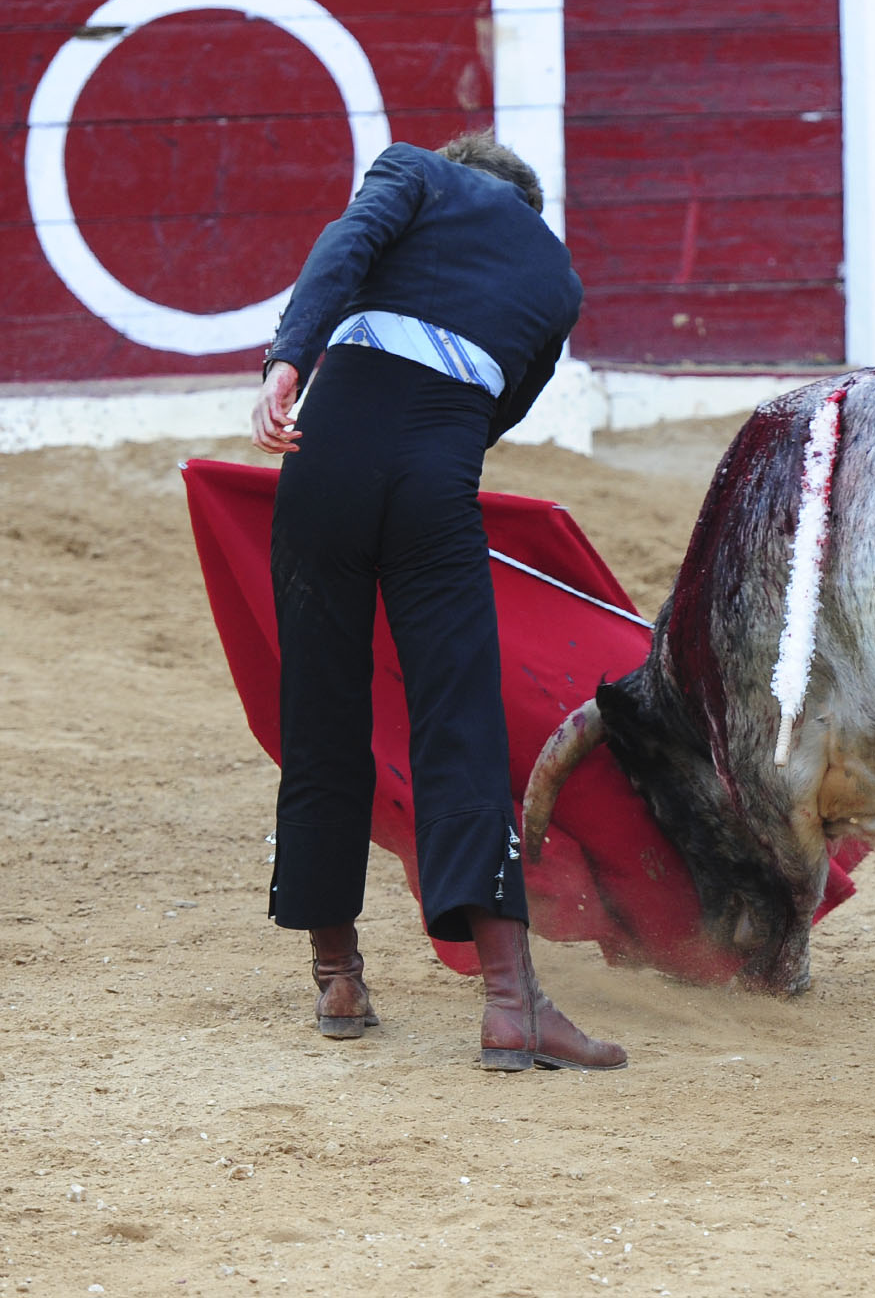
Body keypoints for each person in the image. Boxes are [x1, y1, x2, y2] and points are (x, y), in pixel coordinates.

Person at [248, 131, 623, 1072]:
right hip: (434, 477)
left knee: (321, 715)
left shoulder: (412, 172)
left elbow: (344, 248)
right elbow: (503, 410)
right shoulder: (556, 278)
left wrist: (290, 359)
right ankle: (511, 1002)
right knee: (456, 721)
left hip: (322, 459)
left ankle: (338, 978)